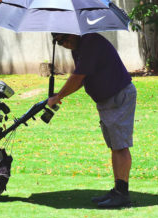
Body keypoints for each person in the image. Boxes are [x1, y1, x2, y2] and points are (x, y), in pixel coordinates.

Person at [47, 32, 137, 208]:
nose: (64, 44)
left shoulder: (91, 42)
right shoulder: (78, 48)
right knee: (115, 146)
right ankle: (118, 189)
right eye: (59, 42)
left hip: (118, 96)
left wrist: (58, 96)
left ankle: (122, 193)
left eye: (65, 38)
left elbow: (78, 77)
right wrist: (60, 95)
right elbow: (82, 78)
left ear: (73, 32)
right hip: (106, 101)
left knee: (120, 145)